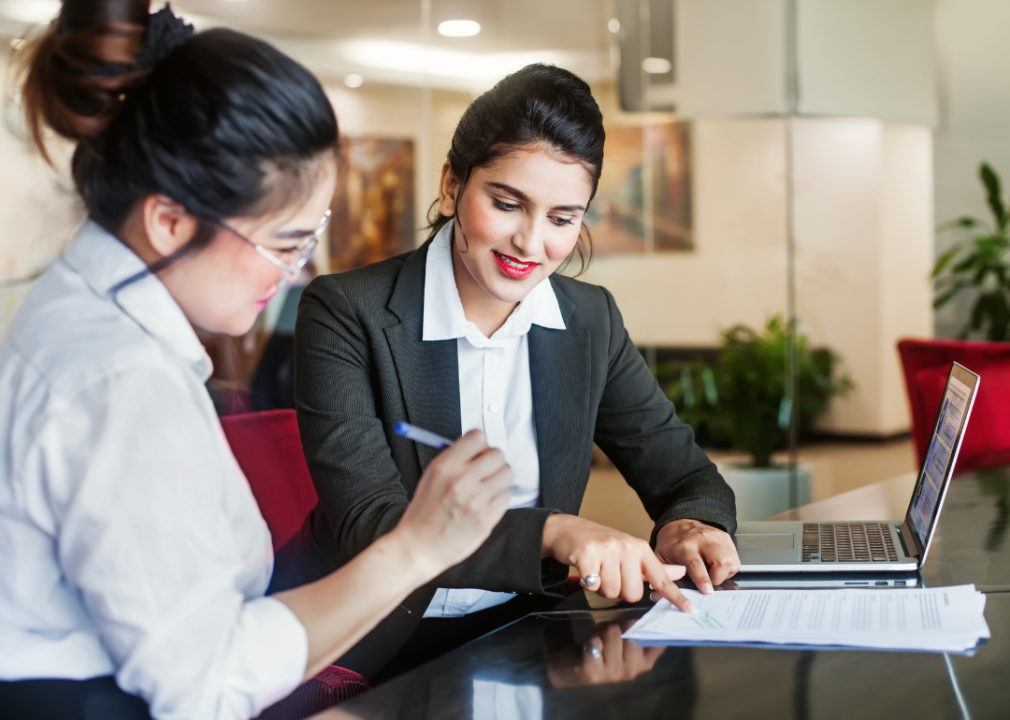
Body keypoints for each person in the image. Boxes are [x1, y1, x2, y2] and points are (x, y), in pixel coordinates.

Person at [0, 3, 516, 718]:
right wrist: (418, 548)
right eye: (282, 243)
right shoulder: (122, 384)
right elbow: (203, 683)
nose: (293, 273)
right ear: (170, 220)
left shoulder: (78, 310)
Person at [282, 63, 741, 682]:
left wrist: (692, 525)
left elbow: (685, 474)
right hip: (371, 641)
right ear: (451, 186)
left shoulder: (590, 320)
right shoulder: (346, 311)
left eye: (562, 218)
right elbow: (372, 525)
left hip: (532, 635)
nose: (531, 242)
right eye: (506, 204)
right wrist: (554, 533)